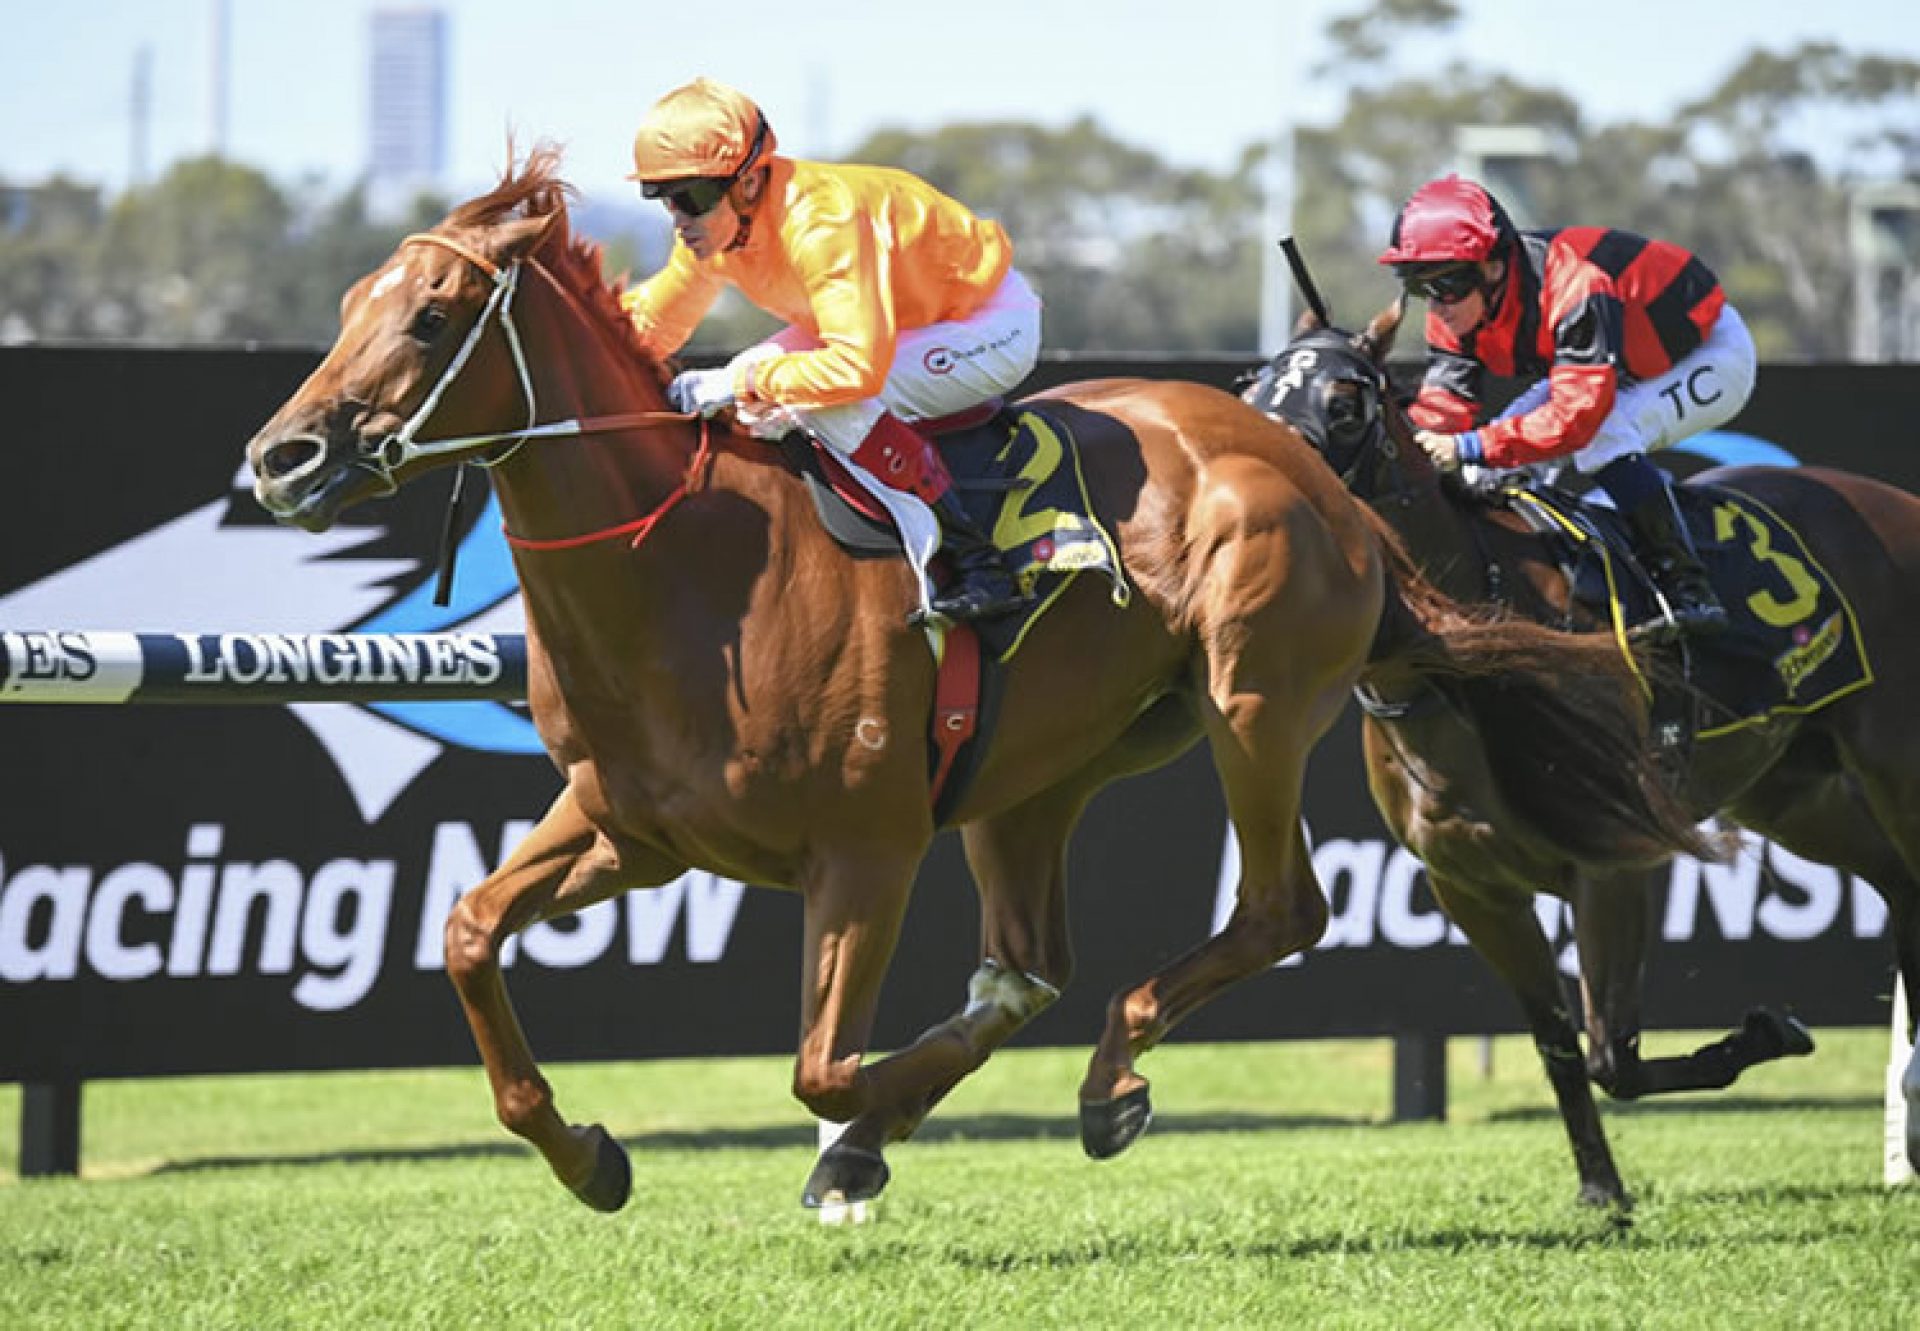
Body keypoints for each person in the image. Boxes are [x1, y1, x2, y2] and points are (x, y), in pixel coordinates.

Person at [620, 76, 1038, 623]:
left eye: (690, 198)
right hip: (897, 322)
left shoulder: (821, 221)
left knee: (813, 396)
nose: (678, 217)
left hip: (986, 323)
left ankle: (979, 563)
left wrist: (739, 382)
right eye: (662, 199)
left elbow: (856, 369)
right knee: (754, 378)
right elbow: (653, 326)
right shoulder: (715, 233)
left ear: (748, 183)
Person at [1379, 174, 1758, 635]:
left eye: (1449, 285)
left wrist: (1470, 446)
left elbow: (1577, 420)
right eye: (1421, 288)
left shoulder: (1575, 284)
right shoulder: (1452, 314)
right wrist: (1400, 438)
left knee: (1603, 437)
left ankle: (1688, 588)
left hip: (1707, 353)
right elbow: (1444, 411)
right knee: (1485, 473)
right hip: (1615, 364)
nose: (1437, 308)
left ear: (1494, 266)